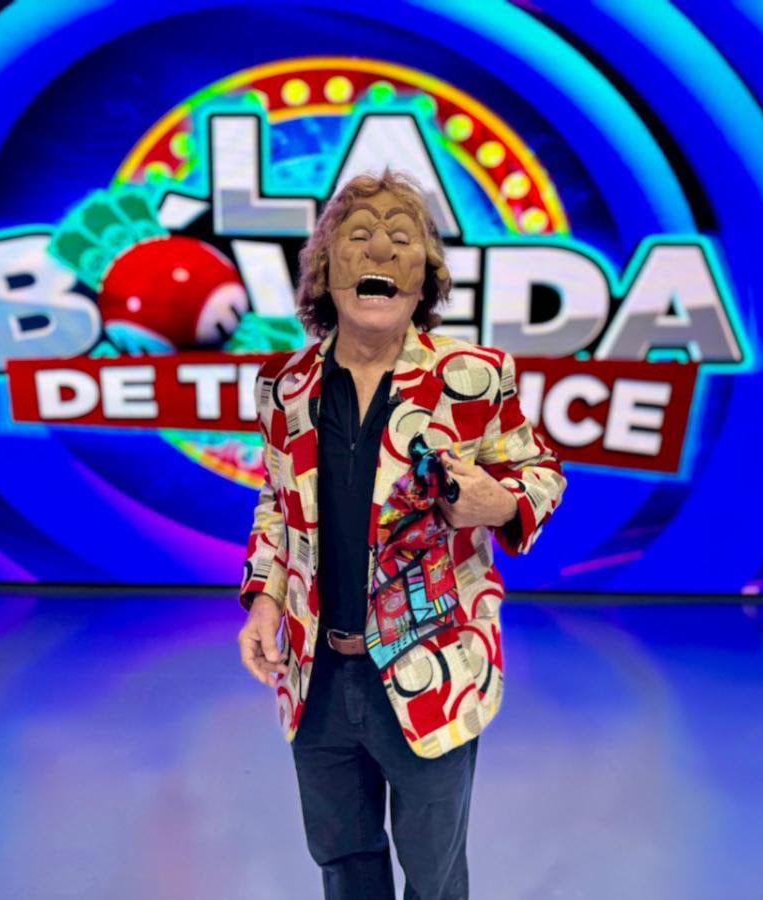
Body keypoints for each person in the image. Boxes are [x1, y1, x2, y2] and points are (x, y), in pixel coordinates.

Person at [236, 169, 566, 900]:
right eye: (357, 236)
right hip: (317, 676)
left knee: (433, 874)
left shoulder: (475, 376)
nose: (379, 251)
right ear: (325, 271)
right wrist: (264, 599)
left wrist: (499, 501)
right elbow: (277, 504)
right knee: (342, 860)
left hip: (433, 670)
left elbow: (541, 474)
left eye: (400, 238)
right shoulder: (283, 387)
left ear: (426, 279)